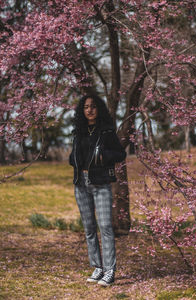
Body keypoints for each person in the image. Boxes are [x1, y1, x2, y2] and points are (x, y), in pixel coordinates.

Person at [69, 95, 126, 286]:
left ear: (98, 108)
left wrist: (103, 155)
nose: (90, 110)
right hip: (81, 183)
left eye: (93, 106)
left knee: (106, 228)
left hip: (101, 184)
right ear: (82, 110)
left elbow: (121, 153)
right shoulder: (79, 132)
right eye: (86, 107)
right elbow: (73, 157)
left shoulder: (107, 131)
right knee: (89, 229)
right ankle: (97, 267)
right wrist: (73, 160)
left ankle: (110, 270)